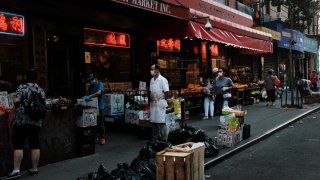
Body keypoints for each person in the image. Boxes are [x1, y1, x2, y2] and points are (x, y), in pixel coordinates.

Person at [6, 69, 46, 179]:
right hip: (36, 120)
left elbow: (16, 101)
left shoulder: (22, 87)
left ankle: (16, 170)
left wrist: (17, 99)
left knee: (19, 145)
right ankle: (34, 169)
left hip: (22, 120)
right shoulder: (40, 89)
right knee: (35, 144)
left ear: (26, 77)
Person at [83, 73, 106, 145]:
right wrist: (85, 97)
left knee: (100, 123)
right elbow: (87, 94)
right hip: (92, 106)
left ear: (95, 79)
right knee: (93, 122)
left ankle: (102, 138)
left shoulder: (100, 84)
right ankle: (95, 137)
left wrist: (90, 96)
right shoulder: (91, 86)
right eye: (90, 80)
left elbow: (99, 93)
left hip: (100, 107)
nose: (90, 82)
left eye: (91, 80)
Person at [149, 64, 169, 141]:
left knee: (161, 122)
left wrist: (162, 99)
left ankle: (164, 139)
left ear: (157, 70)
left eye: (153, 69)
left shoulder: (163, 80)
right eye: (151, 70)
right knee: (154, 122)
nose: (151, 71)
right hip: (153, 103)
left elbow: (167, 92)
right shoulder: (151, 80)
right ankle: (155, 139)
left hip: (160, 102)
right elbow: (151, 91)